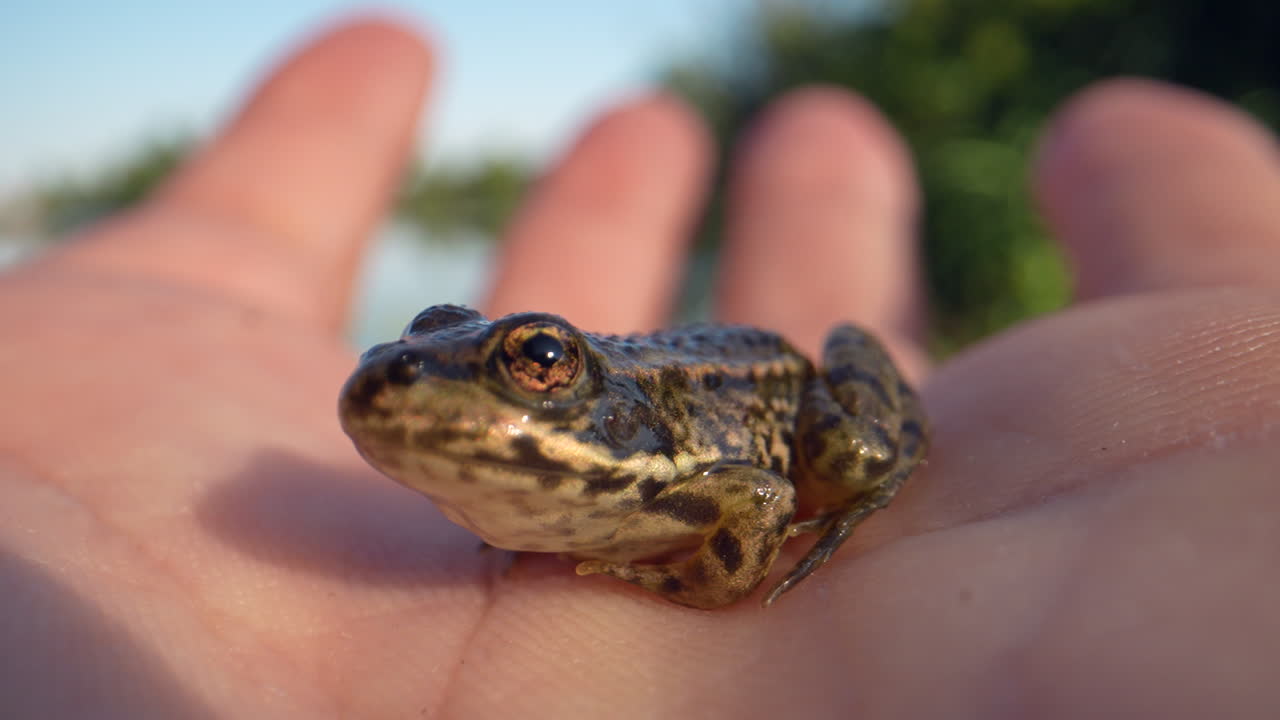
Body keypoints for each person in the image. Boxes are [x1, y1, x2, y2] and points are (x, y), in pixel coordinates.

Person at [3, 17, 1278, 718]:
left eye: (532, 360)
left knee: (850, 456)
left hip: (767, 389)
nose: (420, 380)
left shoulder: (667, 458)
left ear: (572, 377)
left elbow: (760, 498)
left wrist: (695, 592)